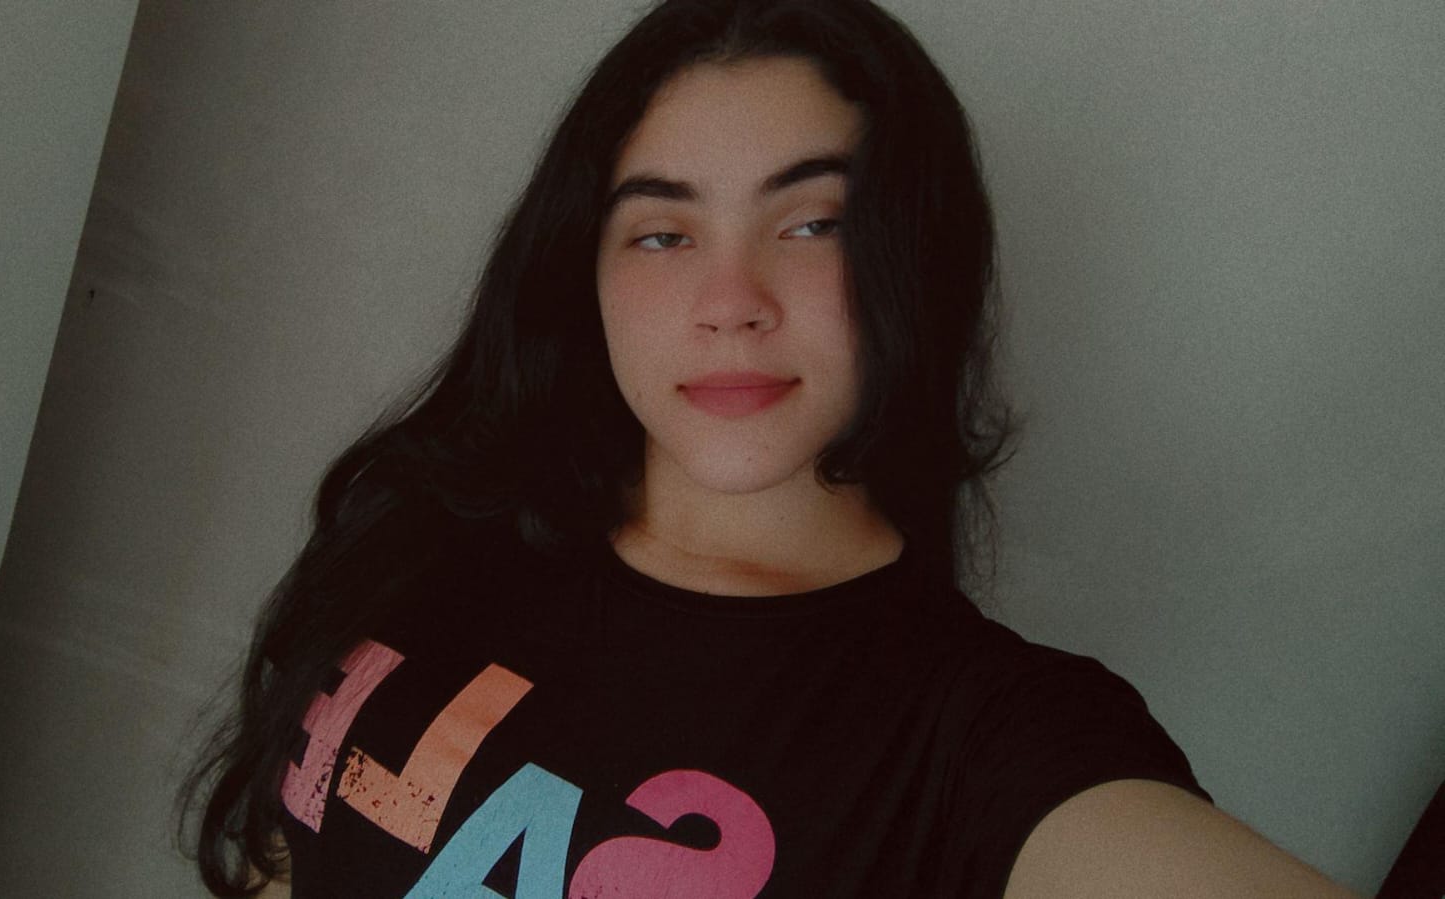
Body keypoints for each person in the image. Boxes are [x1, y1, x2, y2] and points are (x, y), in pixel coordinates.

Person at [180, 1, 1362, 896]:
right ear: (583, 269)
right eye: (662, 232)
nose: (731, 301)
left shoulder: (980, 739)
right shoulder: (439, 527)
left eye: (811, 222)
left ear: (914, 259)